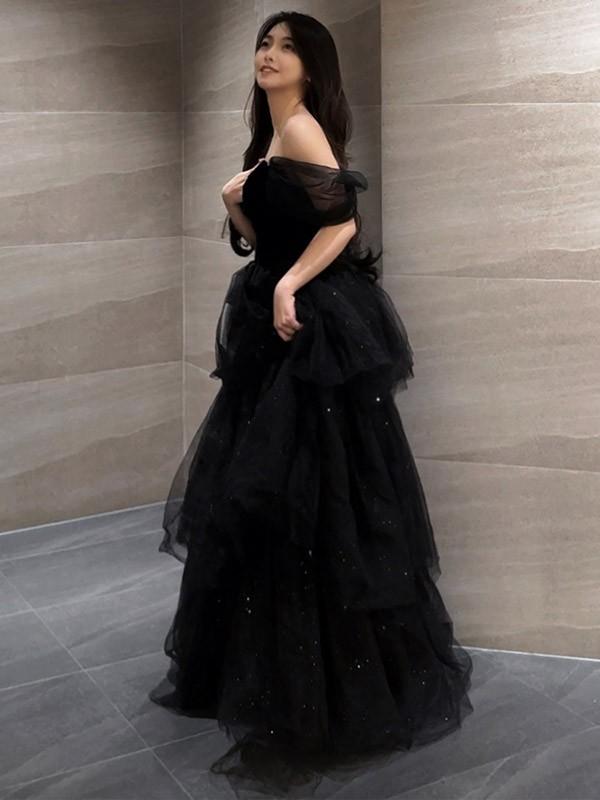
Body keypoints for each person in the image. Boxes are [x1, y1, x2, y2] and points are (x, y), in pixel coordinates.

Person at [149, 10, 474, 795]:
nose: (269, 55)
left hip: (308, 331)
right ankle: (274, 671)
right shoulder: (273, 134)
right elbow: (273, 236)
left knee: (307, 496)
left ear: (311, 65)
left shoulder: (299, 129)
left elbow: (342, 223)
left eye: (287, 47)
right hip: (279, 329)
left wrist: (289, 285)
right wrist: (236, 205)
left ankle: (329, 687)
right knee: (274, 496)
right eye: (264, 44)